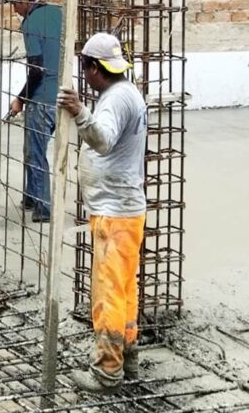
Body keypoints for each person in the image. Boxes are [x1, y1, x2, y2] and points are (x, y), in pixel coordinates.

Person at [57, 32, 146, 393]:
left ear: (94, 68)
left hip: (115, 212)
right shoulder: (126, 93)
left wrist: (79, 112)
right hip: (125, 210)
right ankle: (128, 356)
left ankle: (107, 371)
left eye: (86, 69)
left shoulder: (112, 101)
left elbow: (104, 140)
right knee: (124, 289)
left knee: (108, 292)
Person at [2, 0, 63, 223]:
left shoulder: (30, 24)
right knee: (31, 149)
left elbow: (36, 70)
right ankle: (30, 196)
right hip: (62, 93)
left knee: (36, 154)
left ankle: (43, 207)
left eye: (14, 4)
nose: (14, 10)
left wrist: (20, 100)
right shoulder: (57, 13)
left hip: (42, 98)